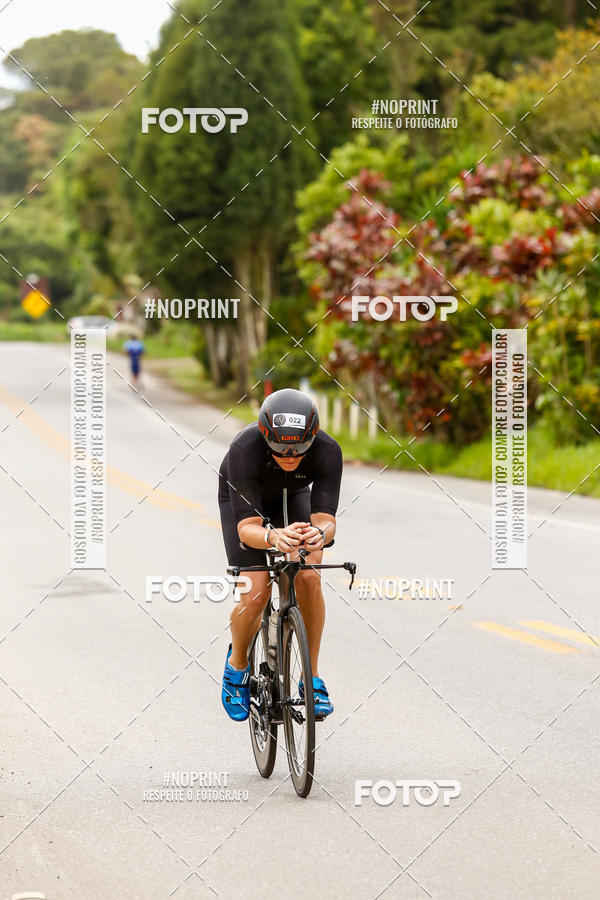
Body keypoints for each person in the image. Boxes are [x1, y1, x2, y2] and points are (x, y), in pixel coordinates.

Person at [218, 388, 343, 722]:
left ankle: (311, 678)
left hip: (295, 494)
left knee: (309, 576)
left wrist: (318, 535)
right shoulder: (243, 450)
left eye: (299, 449)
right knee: (256, 592)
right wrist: (274, 537)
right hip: (248, 506)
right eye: (280, 448)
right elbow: (247, 530)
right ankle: (237, 665)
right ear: (264, 435)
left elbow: (326, 521)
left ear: (313, 437)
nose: (289, 456)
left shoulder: (328, 451)